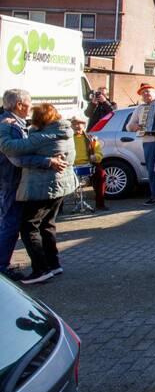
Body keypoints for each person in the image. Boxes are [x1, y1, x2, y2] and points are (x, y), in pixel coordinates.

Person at [0, 103, 77, 285]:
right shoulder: (64, 130)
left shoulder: (43, 136)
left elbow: (9, 147)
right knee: (47, 224)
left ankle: (40, 269)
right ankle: (54, 264)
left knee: (29, 226)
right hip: (61, 185)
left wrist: (4, 126)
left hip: (43, 187)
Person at [70, 115, 105, 210]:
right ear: (71, 126)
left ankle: (100, 204)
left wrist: (95, 157)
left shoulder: (91, 139)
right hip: (71, 166)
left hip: (88, 165)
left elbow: (100, 155)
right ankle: (58, 209)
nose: (77, 126)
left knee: (101, 173)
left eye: (79, 123)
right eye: (74, 124)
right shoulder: (67, 139)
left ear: (84, 125)